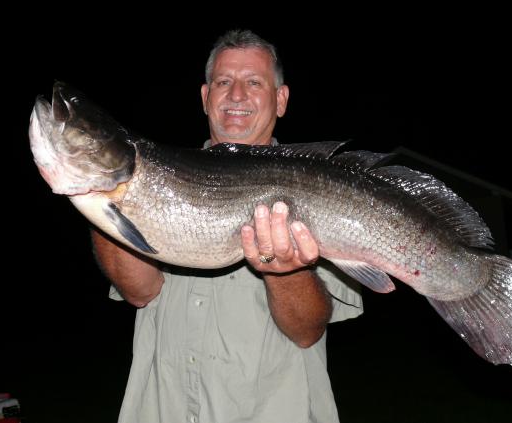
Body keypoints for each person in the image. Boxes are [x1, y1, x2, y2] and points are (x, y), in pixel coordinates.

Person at [92, 29, 363, 423]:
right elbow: (139, 291)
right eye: (223, 82)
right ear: (205, 97)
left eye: (253, 82)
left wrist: (286, 272)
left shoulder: (321, 189)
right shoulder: (160, 180)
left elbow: (307, 331)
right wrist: (102, 199)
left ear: (281, 99)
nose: (236, 96)